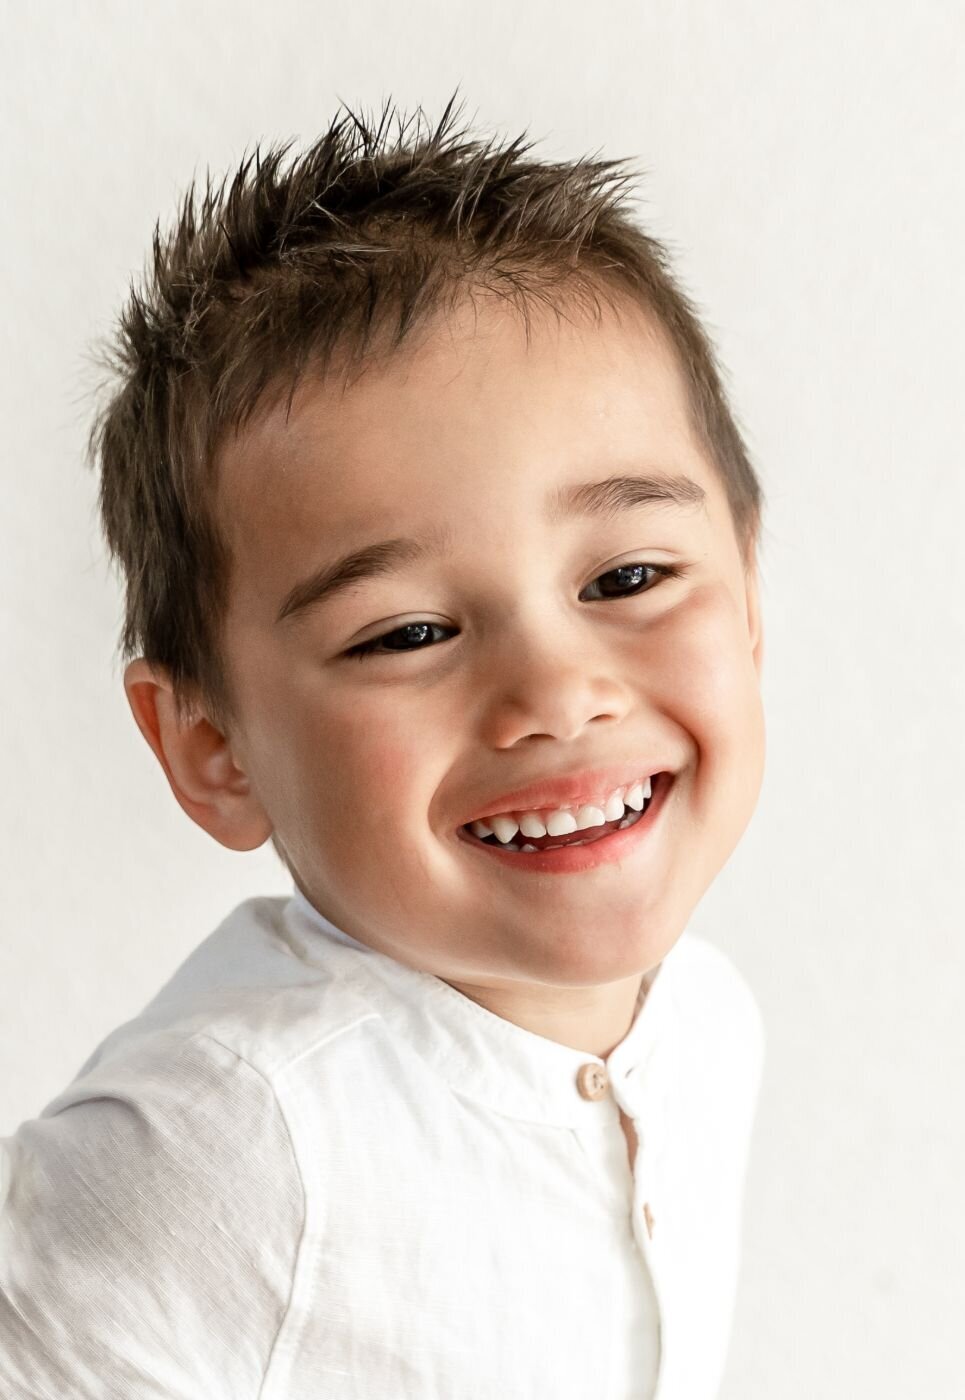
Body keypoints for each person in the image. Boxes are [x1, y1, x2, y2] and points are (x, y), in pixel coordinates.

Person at [0, 97, 767, 1399]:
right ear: (212, 748)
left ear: (748, 599)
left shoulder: (705, 1025)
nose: (553, 692)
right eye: (405, 631)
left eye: (629, 574)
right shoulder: (208, 1152)